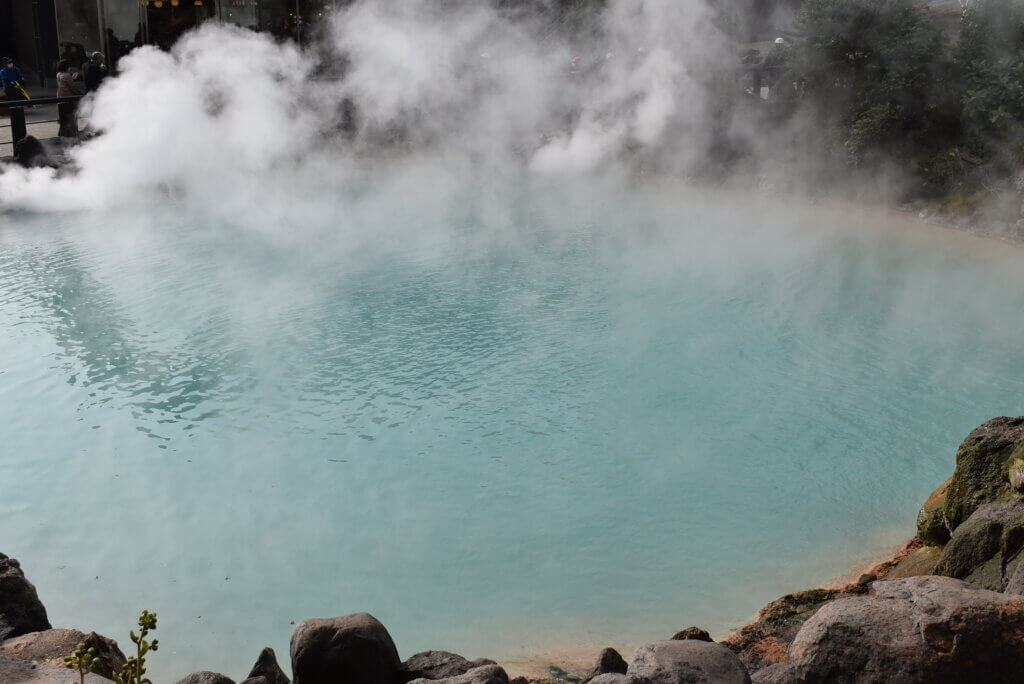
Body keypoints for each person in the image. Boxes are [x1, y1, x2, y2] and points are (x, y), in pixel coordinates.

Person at [55, 59, 82, 138]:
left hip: (60, 98)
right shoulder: (67, 75)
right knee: (71, 117)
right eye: (69, 66)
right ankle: (73, 134)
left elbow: (64, 84)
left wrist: (72, 78)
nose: (70, 68)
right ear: (66, 67)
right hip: (68, 99)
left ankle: (63, 133)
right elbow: (72, 87)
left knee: (63, 117)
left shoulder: (58, 74)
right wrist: (80, 94)